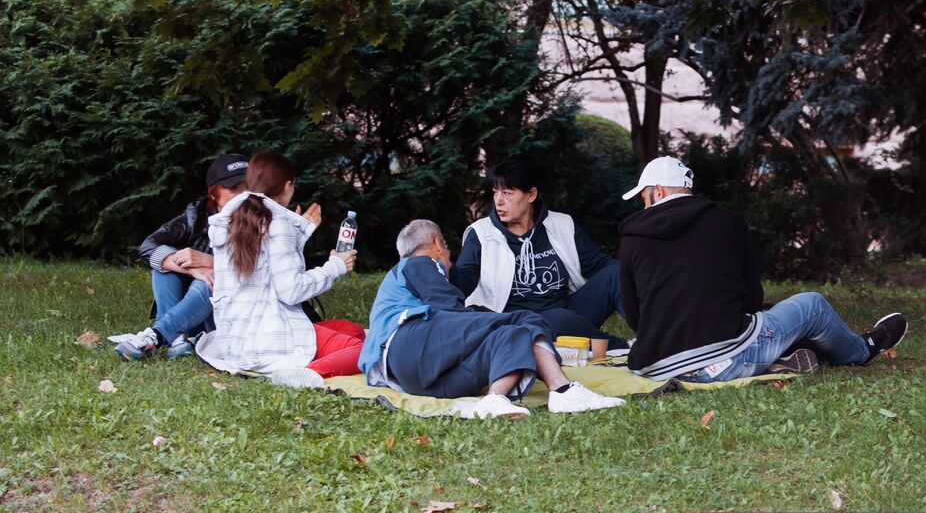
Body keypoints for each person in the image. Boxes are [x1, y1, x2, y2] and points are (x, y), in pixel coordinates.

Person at [617, 156, 908, 381]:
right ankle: (864, 349)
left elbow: (634, 317)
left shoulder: (631, 240)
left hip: (655, 368)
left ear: (657, 191)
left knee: (769, 325)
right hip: (723, 362)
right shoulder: (728, 223)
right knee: (812, 304)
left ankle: (788, 356)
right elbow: (751, 300)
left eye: (643, 198)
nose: (644, 206)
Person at [363, 219, 626, 418]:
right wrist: (487, 318)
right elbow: (449, 309)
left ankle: (495, 399)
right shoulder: (418, 264)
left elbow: (454, 325)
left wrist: (490, 323)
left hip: (422, 376)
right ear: (438, 244)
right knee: (523, 318)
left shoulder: (401, 276)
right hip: (409, 340)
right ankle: (563, 390)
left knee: (514, 334)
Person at [194, 151, 365, 387]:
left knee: (353, 331)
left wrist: (299, 228)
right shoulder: (276, 222)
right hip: (268, 340)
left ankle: (316, 357)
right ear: (287, 185)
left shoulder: (233, 217)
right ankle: (306, 373)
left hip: (237, 341)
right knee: (366, 349)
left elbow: (266, 262)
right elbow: (291, 291)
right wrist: (335, 266)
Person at [450, 155, 629, 350]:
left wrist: (639, 272)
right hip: (516, 323)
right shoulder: (481, 234)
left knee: (617, 274)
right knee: (558, 319)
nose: (498, 201)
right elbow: (463, 281)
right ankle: (624, 347)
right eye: (495, 193)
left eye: (507, 193)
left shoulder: (562, 224)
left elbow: (598, 263)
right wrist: (444, 271)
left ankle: (654, 341)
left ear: (531, 194)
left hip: (567, 311)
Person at [116, 153, 249, 360]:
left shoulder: (263, 219)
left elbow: (262, 267)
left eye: (248, 187)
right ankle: (178, 340)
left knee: (210, 280)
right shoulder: (196, 216)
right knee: (167, 264)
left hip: (230, 316)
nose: (243, 194)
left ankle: (158, 334)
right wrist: (192, 268)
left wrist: (212, 262)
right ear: (213, 193)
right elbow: (148, 246)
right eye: (234, 188)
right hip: (192, 314)